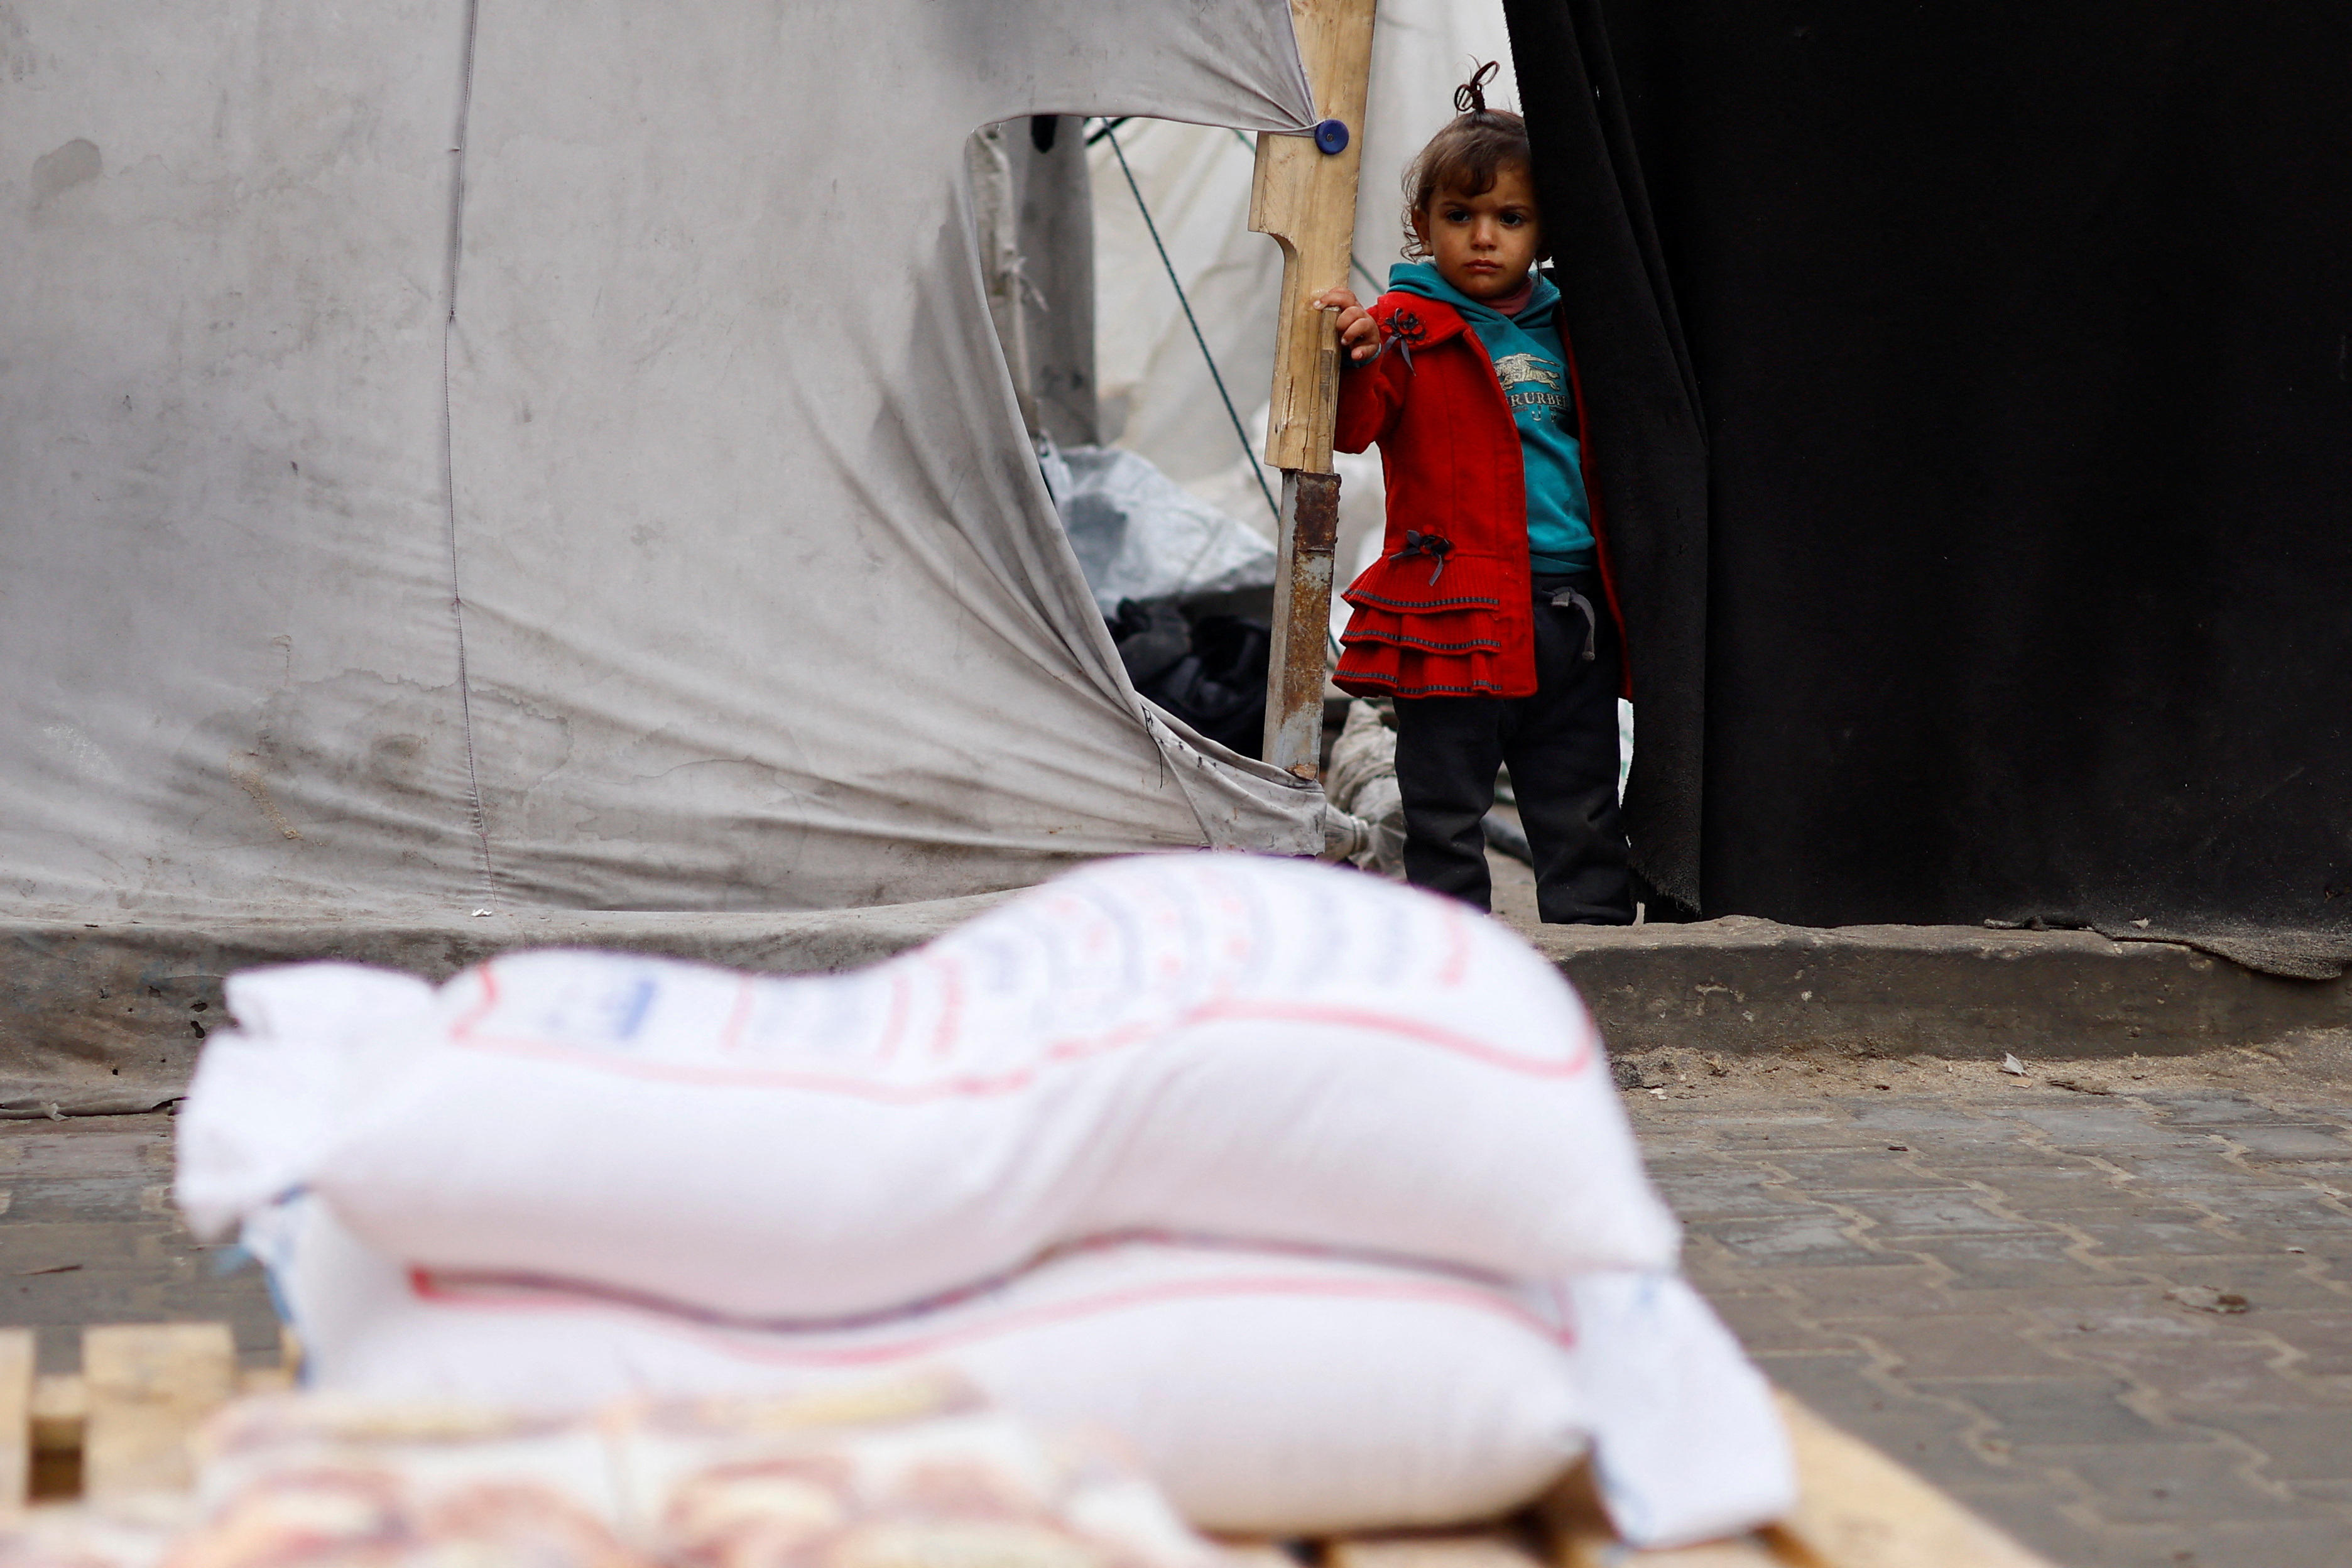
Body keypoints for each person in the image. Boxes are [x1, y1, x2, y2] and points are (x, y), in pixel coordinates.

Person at [1315, 63, 1633, 925]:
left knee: (1580, 807)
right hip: (1452, 608)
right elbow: (1350, 429)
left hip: (1572, 610)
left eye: (1510, 218)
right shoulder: (1402, 329)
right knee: (1445, 811)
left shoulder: (1579, 327)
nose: (1483, 238)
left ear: (1544, 230)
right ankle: (1457, 976)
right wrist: (1356, 352)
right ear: (1423, 225)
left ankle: (1596, 984)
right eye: (1460, 216)